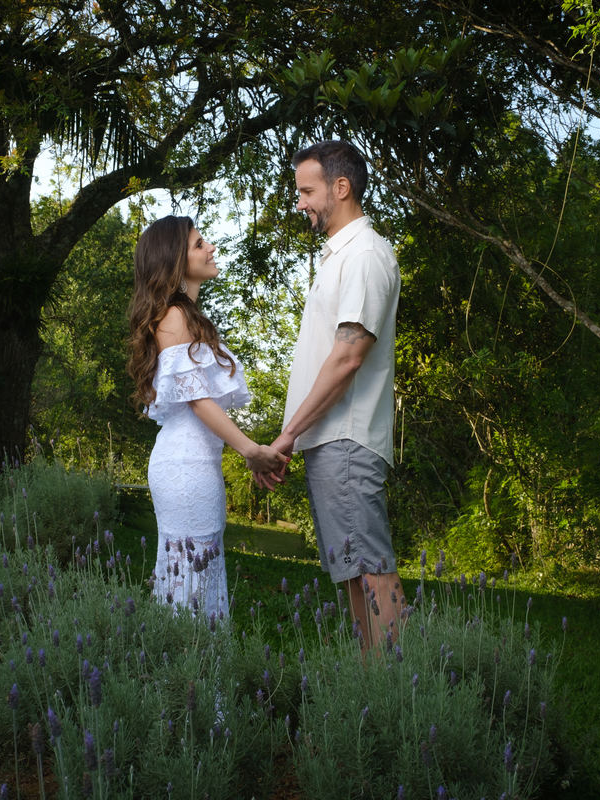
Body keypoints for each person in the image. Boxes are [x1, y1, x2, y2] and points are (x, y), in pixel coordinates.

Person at [259, 140, 405, 651]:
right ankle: (375, 686)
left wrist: (287, 434)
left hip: (345, 440)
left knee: (371, 571)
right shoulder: (339, 257)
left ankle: (397, 698)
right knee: (352, 577)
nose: (300, 203)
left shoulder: (365, 255)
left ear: (341, 188)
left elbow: (347, 357)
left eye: (307, 191)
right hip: (329, 443)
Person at [128, 215, 287, 623]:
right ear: (175, 260)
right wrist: (252, 451)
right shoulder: (176, 318)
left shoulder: (185, 317)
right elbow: (198, 401)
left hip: (195, 463)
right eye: (200, 244)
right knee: (191, 583)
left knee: (194, 578)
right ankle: (186, 679)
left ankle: (187, 679)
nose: (212, 247)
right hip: (185, 467)